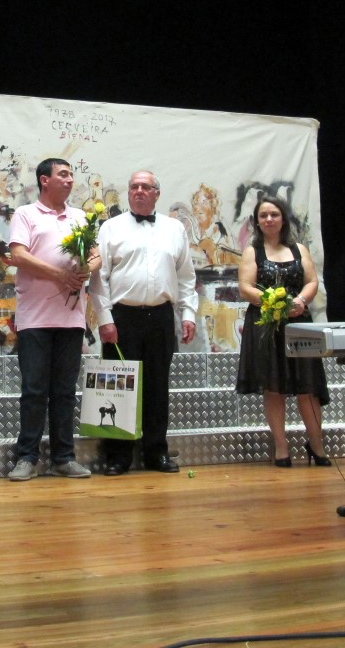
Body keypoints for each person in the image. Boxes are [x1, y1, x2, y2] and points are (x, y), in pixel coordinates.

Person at [89, 170, 198, 475]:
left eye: (145, 187)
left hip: (161, 316)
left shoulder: (175, 229)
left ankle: (156, 452)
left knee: (157, 386)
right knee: (117, 388)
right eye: (134, 186)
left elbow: (186, 277)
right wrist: (105, 319)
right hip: (122, 317)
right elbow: (99, 278)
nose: (138, 191)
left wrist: (187, 314)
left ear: (156, 193)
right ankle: (117, 456)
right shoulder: (110, 228)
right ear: (128, 192)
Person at [6, 158, 96, 481]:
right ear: (45, 180)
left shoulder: (81, 217)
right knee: (34, 390)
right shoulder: (26, 214)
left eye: (72, 175)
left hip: (71, 319)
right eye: (63, 174)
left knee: (65, 391)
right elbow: (18, 255)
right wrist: (59, 274)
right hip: (35, 319)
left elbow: (96, 255)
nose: (70, 180)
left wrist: (87, 269)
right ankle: (27, 457)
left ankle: (63, 458)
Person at [236, 196, 330, 467]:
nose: (269, 219)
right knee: (273, 387)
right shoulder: (252, 251)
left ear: (283, 219)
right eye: (263, 215)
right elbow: (245, 288)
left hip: (298, 323)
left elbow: (311, 281)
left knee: (308, 387)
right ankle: (281, 448)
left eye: (274, 214)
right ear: (257, 221)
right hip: (266, 325)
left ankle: (316, 445)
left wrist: (298, 301)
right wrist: (274, 302)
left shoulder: (299, 249)